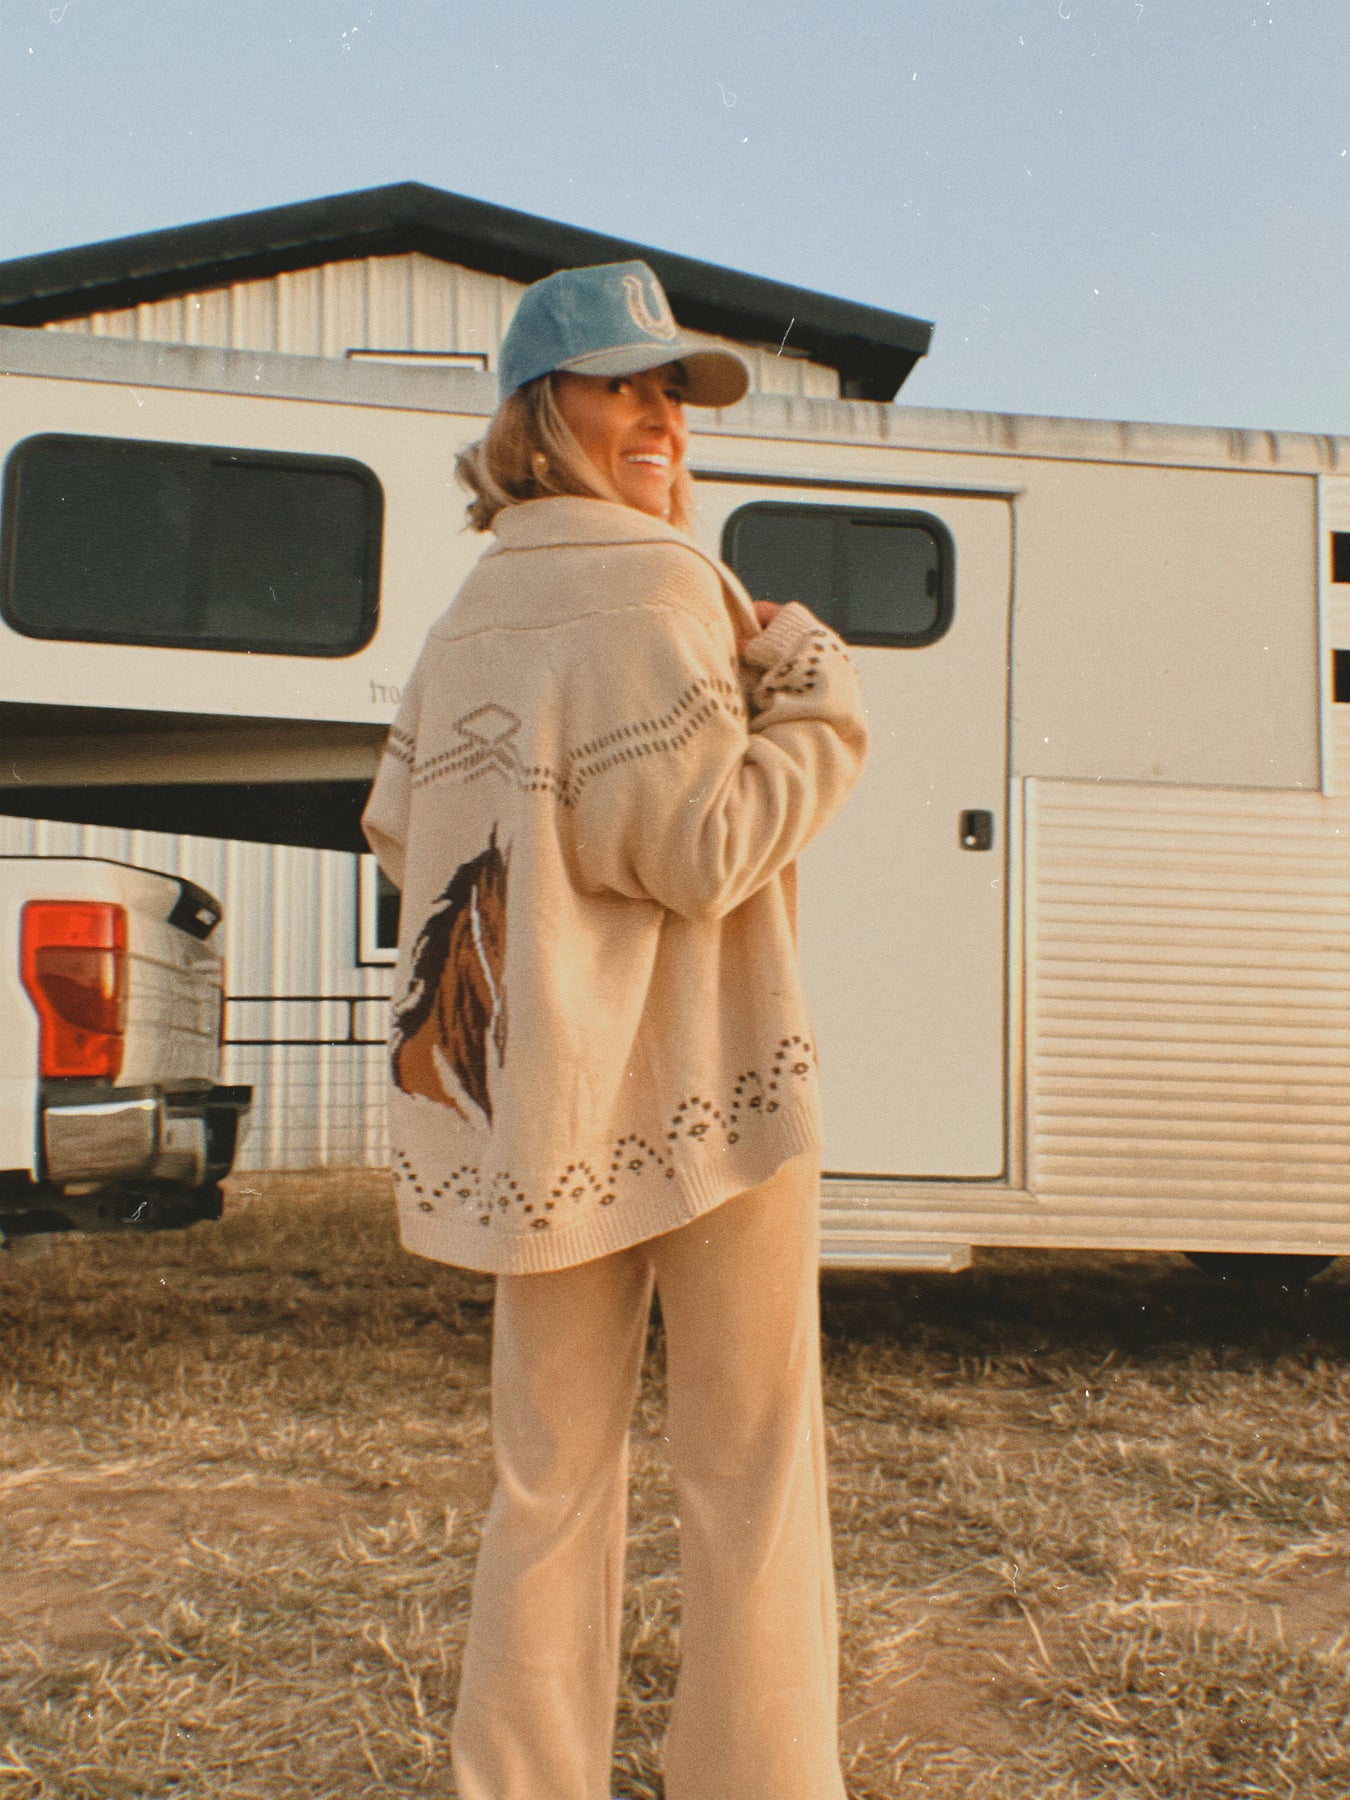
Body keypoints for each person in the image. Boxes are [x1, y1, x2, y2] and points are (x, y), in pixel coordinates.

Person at [361, 258, 868, 1800]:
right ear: (541, 410)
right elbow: (706, 851)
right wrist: (816, 693)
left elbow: (399, 829)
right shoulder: (664, 581)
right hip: (712, 1094)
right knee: (747, 1476)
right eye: (624, 388)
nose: (661, 420)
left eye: (671, 394)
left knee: (546, 1485)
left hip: (542, 1114)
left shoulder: (467, 613)